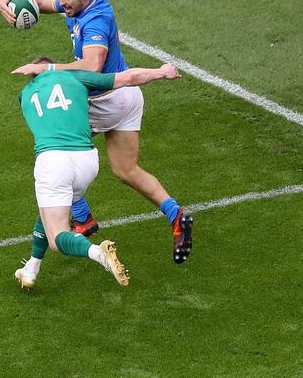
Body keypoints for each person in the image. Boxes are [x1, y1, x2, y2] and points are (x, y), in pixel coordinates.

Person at [0, 0, 193, 265]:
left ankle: (80, 219)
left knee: (58, 153)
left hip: (106, 100)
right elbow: (41, 2)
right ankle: (176, 216)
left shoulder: (96, 21)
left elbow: (91, 67)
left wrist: (45, 68)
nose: (61, 3)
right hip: (128, 97)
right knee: (127, 170)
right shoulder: (80, 1)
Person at [13, 58, 182, 288]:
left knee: (56, 237)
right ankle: (31, 268)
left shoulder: (24, 96)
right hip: (87, 161)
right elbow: (128, 78)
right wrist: (162, 72)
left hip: (53, 161)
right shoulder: (76, 76)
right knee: (50, 208)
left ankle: (98, 253)